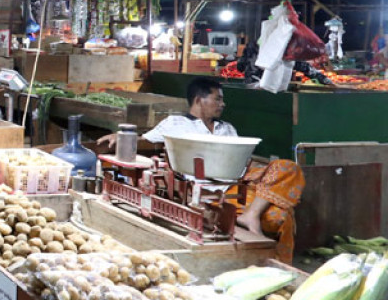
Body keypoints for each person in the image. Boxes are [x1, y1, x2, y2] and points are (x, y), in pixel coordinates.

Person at [102, 76, 304, 262]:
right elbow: (143, 140)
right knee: (280, 217)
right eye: (218, 99)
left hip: (235, 185)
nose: (222, 104)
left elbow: (241, 160)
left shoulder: (227, 128)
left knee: (288, 167)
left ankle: (252, 217)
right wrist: (118, 137)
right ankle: (271, 262)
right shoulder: (175, 123)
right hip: (201, 188)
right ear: (199, 100)